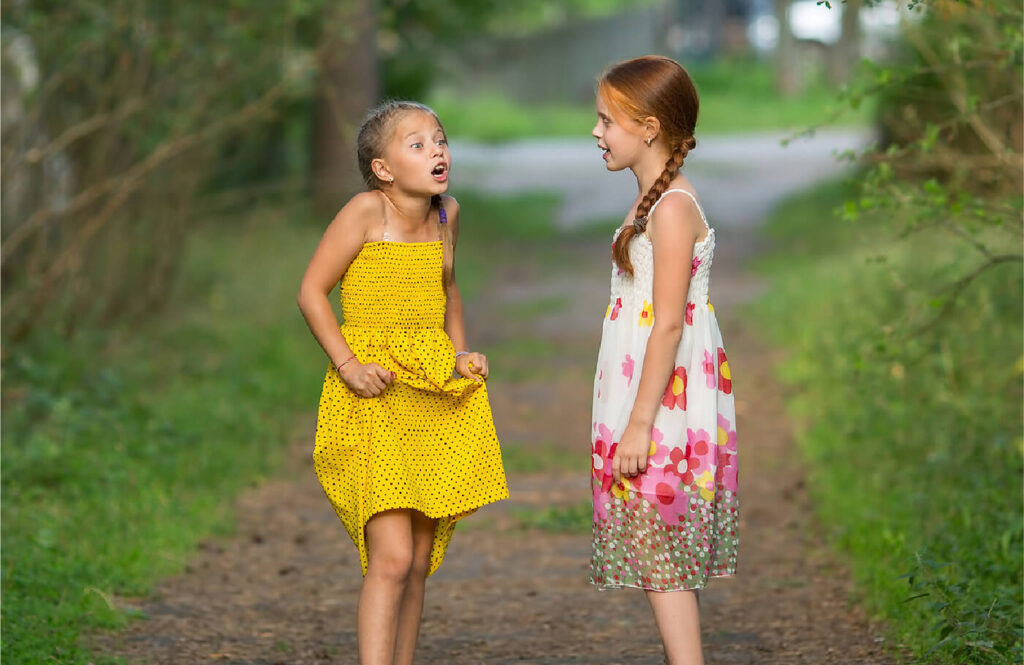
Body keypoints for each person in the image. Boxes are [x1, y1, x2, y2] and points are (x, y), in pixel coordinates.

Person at [297, 100, 508, 665]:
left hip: (429, 393)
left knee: (417, 559)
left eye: (439, 139)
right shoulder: (367, 212)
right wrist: (348, 365)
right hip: (373, 390)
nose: (437, 149)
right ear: (384, 168)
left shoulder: (447, 215)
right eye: (417, 144)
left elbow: (450, 289)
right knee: (389, 557)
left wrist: (461, 352)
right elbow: (312, 292)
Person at [589, 56, 739, 665]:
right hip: (642, 390)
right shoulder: (652, 199)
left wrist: (641, 422)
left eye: (606, 120)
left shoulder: (673, 208)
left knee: (660, 548)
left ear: (648, 127)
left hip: (664, 400)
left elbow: (669, 322)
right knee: (661, 551)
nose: (596, 133)